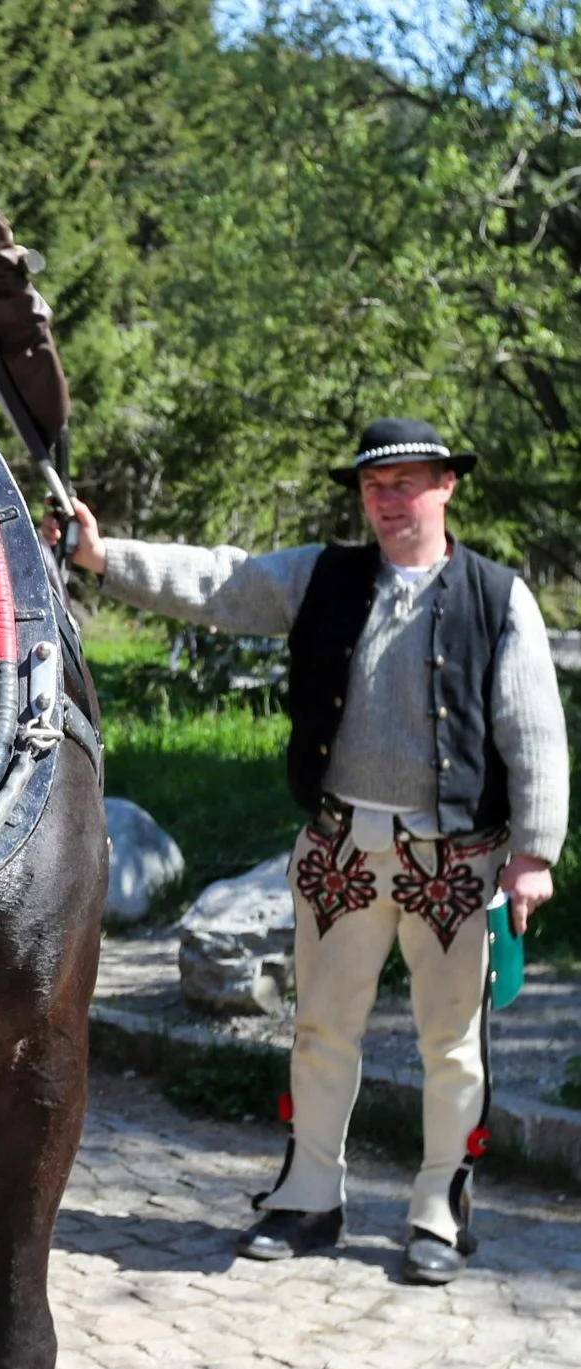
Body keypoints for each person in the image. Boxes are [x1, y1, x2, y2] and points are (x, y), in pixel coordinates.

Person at [49, 417, 567, 1285]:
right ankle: (307, 1197)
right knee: (321, 1030)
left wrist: (534, 851)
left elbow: (534, 731)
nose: (387, 500)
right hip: (337, 850)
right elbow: (221, 581)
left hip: (456, 860)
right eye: (373, 486)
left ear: (446, 485)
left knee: (452, 1043)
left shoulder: (498, 596)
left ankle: (439, 1212)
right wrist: (105, 558)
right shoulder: (321, 577)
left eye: (405, 483)